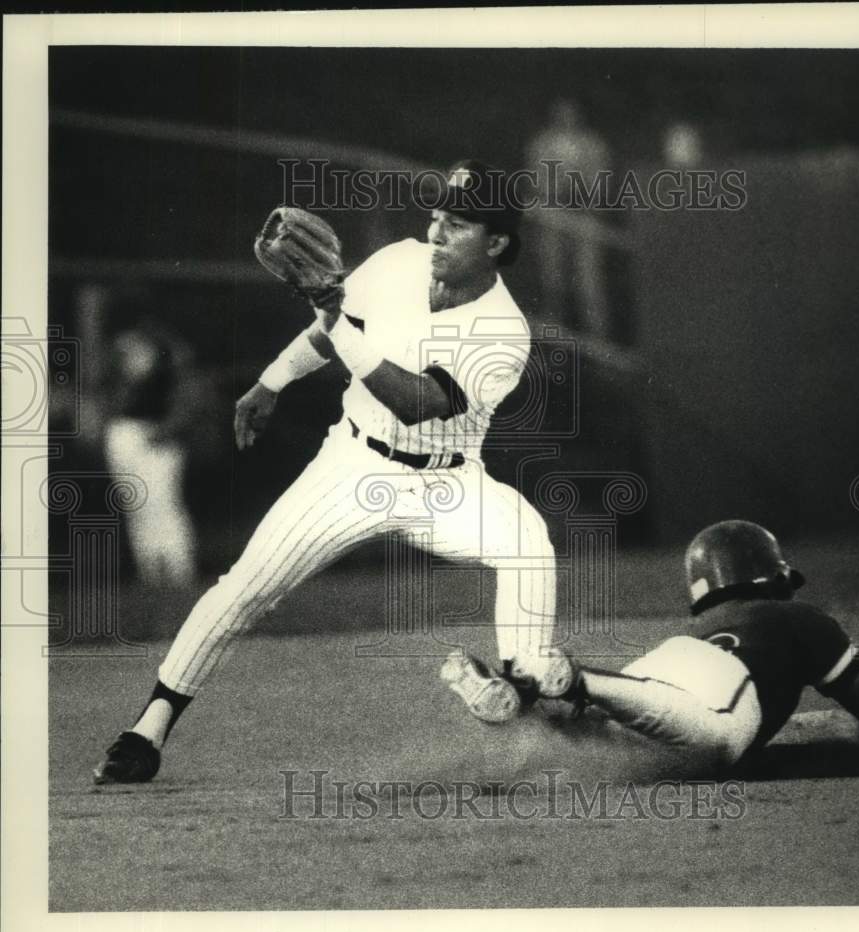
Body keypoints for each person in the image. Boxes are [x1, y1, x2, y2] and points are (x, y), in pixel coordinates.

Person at [94, 160, 569, 785]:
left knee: (528, 543)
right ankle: (146, 730)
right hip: (352, 464)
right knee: (244, 589)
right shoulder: (400, 260)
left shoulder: (505, 332)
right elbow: (328, 333)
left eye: (456, 224)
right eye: (435, 217)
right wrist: (271, 381)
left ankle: (522, 699)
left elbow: (416, 401)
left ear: (497, 243)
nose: (436, 233)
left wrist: (335, 317)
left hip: (447, 483)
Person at [444, 520, 859, 777]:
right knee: (710, 736)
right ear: (773, 575)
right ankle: (570, 676)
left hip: (663, 668)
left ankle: (537, 703)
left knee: (596, 728)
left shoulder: (703, 627)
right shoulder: (800, 617)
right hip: (717, 696)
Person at [102, 322, 199, 587]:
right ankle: (151, 575)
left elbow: (187, 405)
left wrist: (168, 429)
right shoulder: (118, 371)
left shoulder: (172, 366)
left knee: (162, 504)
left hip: (156, 437)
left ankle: (178, 572)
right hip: (126, 434)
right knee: (136, 507)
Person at [525, 98, 612, 336]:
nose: (566, 116)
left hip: (585, 218)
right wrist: (556, 191)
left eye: (571, 112)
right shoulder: (541, 144)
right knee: (552, 278)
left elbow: (601, 184)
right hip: (553, 216)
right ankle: (554, 341)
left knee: (589, 283)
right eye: (560, 112)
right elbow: (536, 182)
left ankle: (599, 344)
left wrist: (583, 194)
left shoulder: (594, 145)